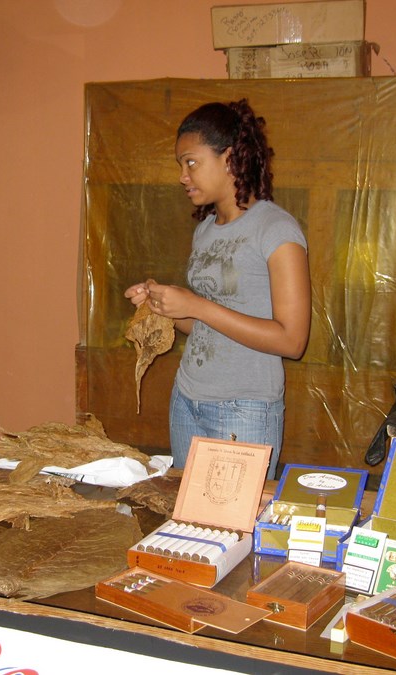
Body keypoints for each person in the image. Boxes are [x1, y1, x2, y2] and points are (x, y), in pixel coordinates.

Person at [125, 99, 312, 479]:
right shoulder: (206, 230)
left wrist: (196, 304)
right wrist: (164, 306)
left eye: (191, 162)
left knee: (234, 517)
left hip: (244, 409)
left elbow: (292, 341)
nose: (183, 176)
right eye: (180, 165)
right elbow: (204, 326)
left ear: (229, 158)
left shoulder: (276, 229)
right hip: (187, 399)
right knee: (189, 514)